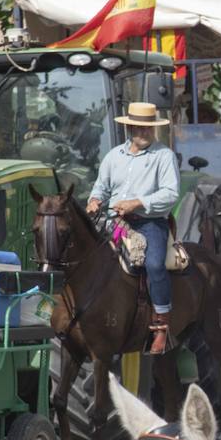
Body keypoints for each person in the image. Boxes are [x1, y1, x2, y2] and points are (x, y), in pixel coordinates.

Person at [87, 101, 180, 355]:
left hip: (149, 222)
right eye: (139, 127)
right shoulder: (113, 156)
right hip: (114, 222)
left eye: (148, 128)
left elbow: (171, 194)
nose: (144, 132)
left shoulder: (164, 156)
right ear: (130, 128)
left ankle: (162, 325)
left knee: (154, 265)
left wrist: (137, 203)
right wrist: (94, 200)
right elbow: (101, 187)